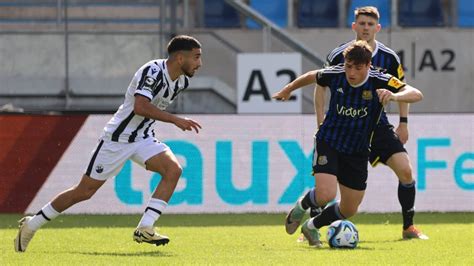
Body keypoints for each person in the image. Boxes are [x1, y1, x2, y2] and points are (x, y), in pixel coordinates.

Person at [14, 35, 203, 252]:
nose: (200, 63)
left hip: (142, 137)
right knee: (84, 192)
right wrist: (175, 119)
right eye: (196, 57)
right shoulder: (153, 71)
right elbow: (140, 107)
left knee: (173, 170)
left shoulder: (182, 80)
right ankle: (31, 225)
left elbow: (149, 110)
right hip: (117, 139)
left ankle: (145, 228)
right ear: (180, 58)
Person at [274, 40, 423, 247]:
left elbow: (416, 94)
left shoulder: (380, 79)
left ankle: (312, 226)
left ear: (369, 66)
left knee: (349, 209)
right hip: (330, 141)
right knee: (326, 194)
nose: (351, 72)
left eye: (357, 68)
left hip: (358, 150)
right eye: (348, 66)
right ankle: (301, 207)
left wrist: (394, 95)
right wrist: (288, 89)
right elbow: (312, 76)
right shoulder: (336, 74)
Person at [301, 6, 428, 242]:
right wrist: (320, 121)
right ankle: (313, 224)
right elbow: (320, 86)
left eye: (370, 24)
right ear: (354, 26)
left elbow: (403, 88)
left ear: (377, 28)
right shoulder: (339, 54)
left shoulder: (389, 58)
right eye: (362, 23)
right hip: (343, 125)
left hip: (375, 125)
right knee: (327, 186)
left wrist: (403, 123)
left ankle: (408, 227)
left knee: (406, 171)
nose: (366, 28)